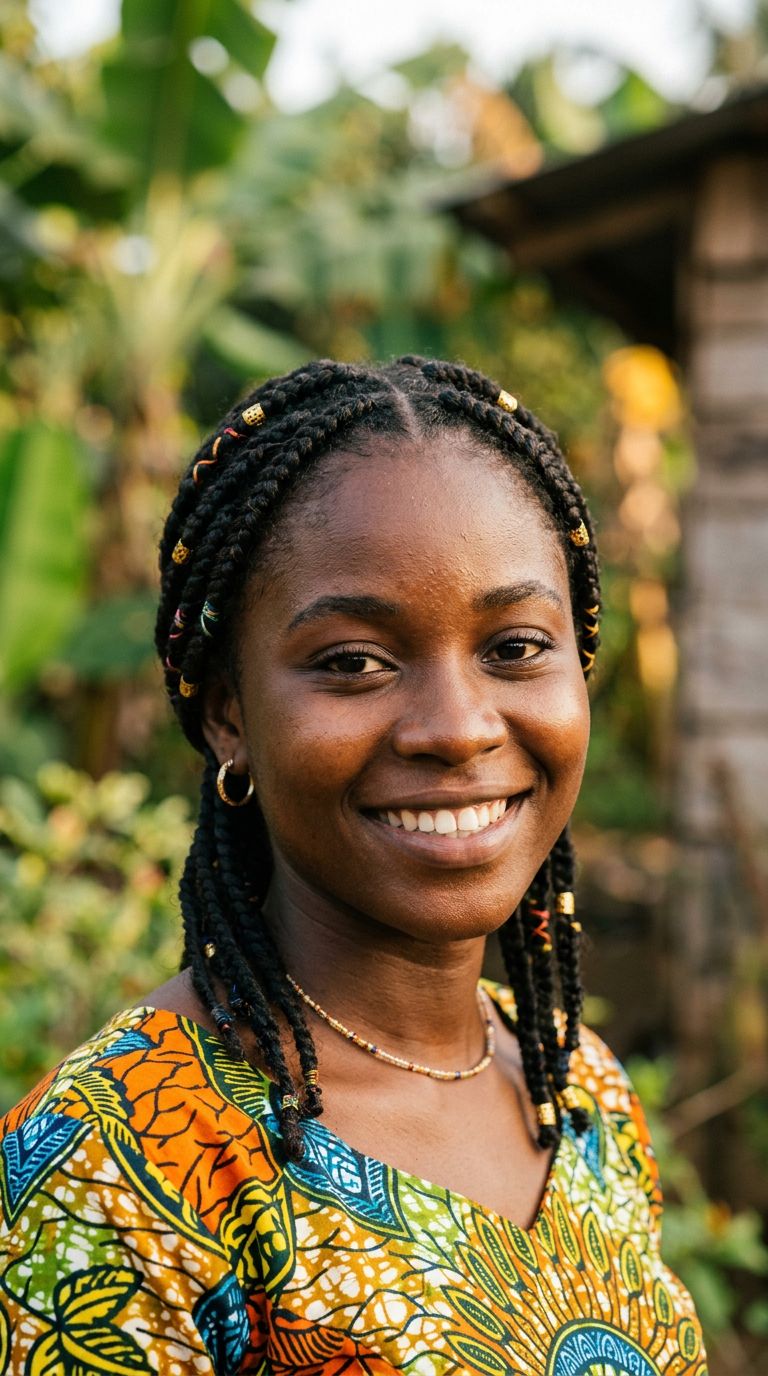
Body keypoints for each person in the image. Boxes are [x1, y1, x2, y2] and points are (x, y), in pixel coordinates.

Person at [0, 357, 705, 1376]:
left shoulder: (578, 1086)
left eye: (515, 646)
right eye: (353, 662)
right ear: (229, 713)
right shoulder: (118, 1159)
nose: (458, 728)